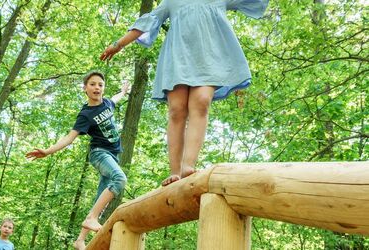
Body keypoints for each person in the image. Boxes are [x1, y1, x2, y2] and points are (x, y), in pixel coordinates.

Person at [100, 0, 268, 186]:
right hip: (177, 59)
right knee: (177, 110)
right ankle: (175, 172)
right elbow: (149, 21)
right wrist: (119, 44)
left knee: (201, 101)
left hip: (209, 59)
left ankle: (188, 165)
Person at [25, 71, 129, 250]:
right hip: (99, 154)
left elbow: (117, 97)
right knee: (119, 179)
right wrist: (48, 151)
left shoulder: (107, 103)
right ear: (85, 89)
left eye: (100, 84)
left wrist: (124, 90)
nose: (97, 87)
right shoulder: (86, 114)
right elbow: (69, 137)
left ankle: (80, 239)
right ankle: (91, 219)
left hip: (113, 155)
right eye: (92, 84)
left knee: (100, 198)